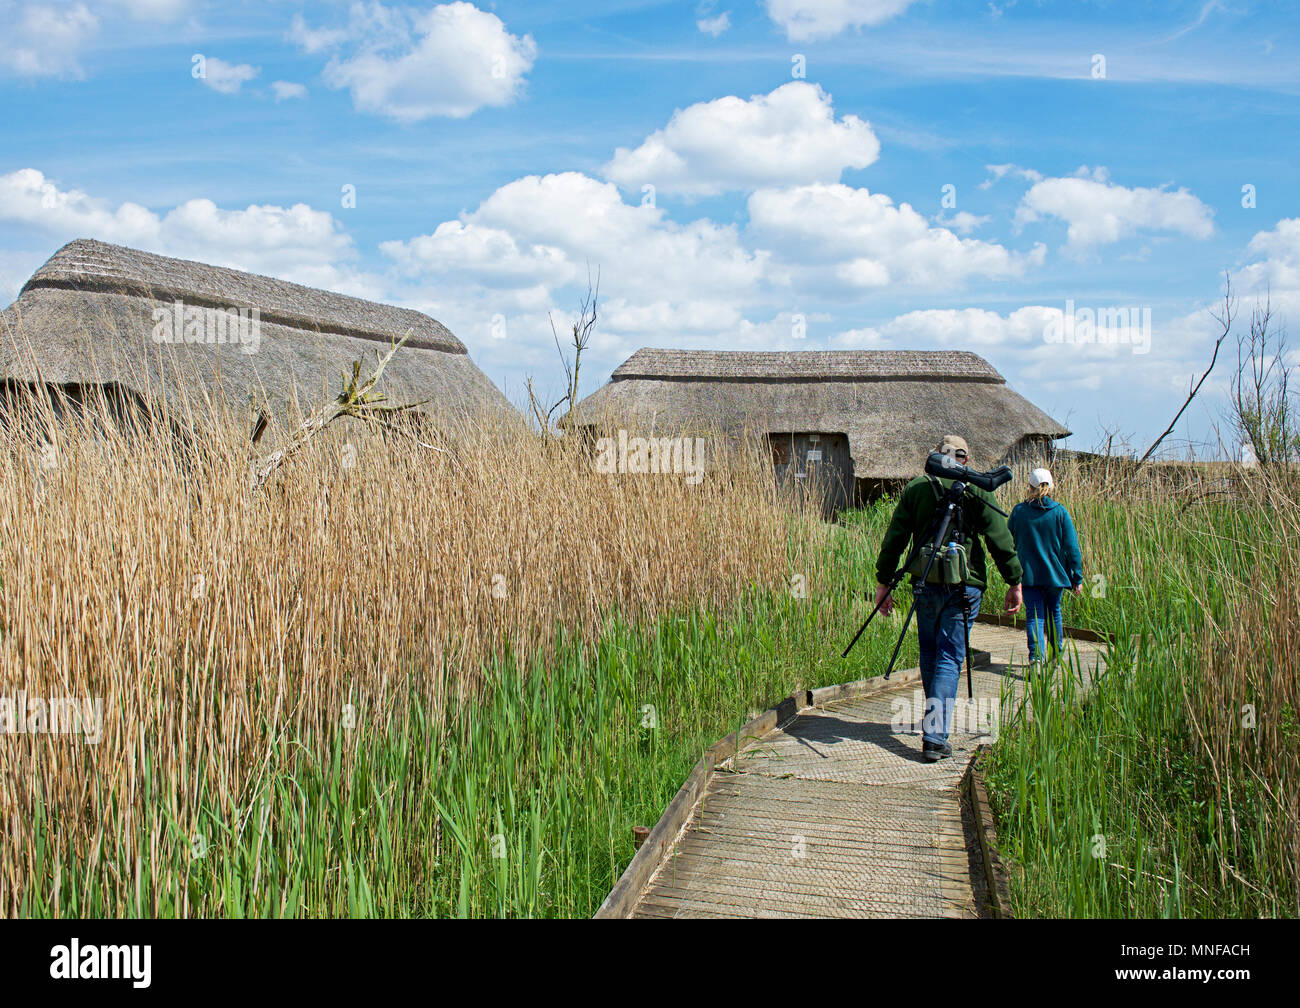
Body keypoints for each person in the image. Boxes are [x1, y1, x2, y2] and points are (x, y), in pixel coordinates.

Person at [874, 436, 1024, 762]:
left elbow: (895, 538)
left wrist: (884, 581)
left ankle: (934, 725)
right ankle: (935, 735)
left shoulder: (917, 488)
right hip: (964, 588)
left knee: (930, 652)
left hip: (925, 585)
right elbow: (1000, 538)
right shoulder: (976, 488)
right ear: (964, 460)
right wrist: (1014, 580)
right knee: (949, 657)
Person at [1007, 467, 1084, 667]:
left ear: (1029, 486)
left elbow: (1008, 542)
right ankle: (1055, 655)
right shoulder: (1060, 512)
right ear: (1050, 486)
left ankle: (1036, 657)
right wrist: (1077, 578)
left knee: (1034, 615)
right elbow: (1072, 548)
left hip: (1029, 575)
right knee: (1054, 612)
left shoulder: (1019, 512)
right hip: (1055, 576)